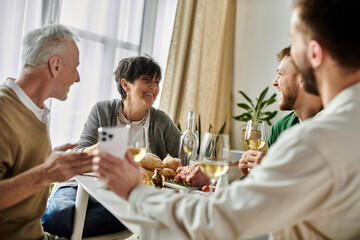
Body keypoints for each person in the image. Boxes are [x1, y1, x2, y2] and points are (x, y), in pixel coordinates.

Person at [92, 0, 360, 239]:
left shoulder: (316, 141)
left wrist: (136, 193)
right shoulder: (344, 126)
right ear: (125, 85)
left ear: (314, 53)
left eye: (294, 40)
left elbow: (217, 221)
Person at [42, 56, 182, 238]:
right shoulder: (103, 110)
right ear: (126, 85)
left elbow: (184, 160)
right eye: (146, 80)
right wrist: (100, 147)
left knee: (62, 222)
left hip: (122, 196)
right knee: (56, 216)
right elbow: (77, 153)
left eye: (156, 82)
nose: (154, 87)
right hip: (80, 185)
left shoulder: (160, 121)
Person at [0, 25, 93, 240]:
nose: (77, 78)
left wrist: (50, 162)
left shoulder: (36, 111)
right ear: (56, 65)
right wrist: (46, 173)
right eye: (75, 67)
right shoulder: (4, 110)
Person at [239, 45, 322, 177]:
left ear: (302, 78)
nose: (274, 82)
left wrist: (273, 171)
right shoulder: (280, 128)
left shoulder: (330, 124)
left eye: (280, 74)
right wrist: (253, 176)